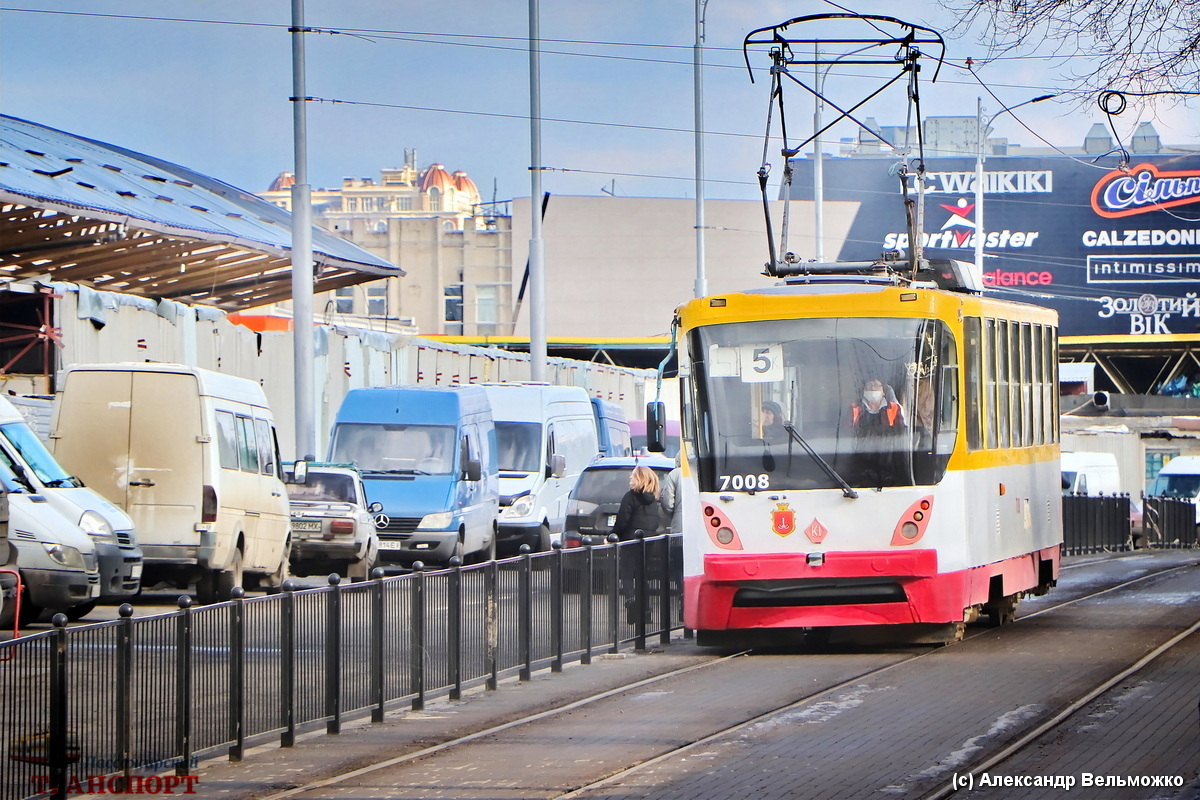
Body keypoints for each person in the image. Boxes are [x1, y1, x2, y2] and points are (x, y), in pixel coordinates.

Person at [612, 465, 661, 622]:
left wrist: (613, 536)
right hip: (649, 543)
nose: (630, 478)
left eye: (633, 476)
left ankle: (631, 604)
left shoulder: (630, 497)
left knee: (627, 575)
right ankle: (646, 611)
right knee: (642, 576)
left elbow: (622, 520)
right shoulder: (653, 499)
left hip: (629, 541)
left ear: (640, 478)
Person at [659, 455, 683, 534]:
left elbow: (668, 503)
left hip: (680, 524)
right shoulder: (704, 472)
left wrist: (675, 514)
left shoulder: (675, 474)